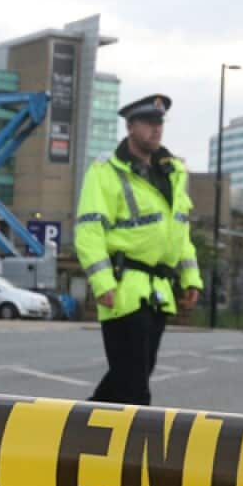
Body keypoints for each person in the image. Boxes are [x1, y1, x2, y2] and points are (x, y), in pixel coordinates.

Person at [74, 94, 203, 405]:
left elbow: (181, 233)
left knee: (135, 373)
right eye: (149, 123)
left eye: (159, 123)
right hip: (124, 288)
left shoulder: (172, 173)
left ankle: (76, 431)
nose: (156, 130)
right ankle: (134, 447)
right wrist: (102, 282)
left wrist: (190, 278)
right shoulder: (106, 172)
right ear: (131, 127)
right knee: (134, 387)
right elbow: (89, 230)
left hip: (159, 289)